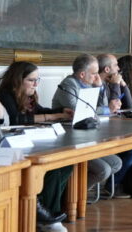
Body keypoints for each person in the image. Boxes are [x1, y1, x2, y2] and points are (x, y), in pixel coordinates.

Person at [0, 62, 72, 232]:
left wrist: (62, 111)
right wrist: (54, 116)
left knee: (66, 164)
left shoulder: (28, 95)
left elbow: (39, 111)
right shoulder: (3, 95)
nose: (36, 84)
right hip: (12, 147)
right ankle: (47, 215)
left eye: (38, 80)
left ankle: (47, 209)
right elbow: (16, 119)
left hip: (30, 142)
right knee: (51, 167)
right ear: (18, 80)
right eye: (31, 80)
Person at [51, 54, 124, 195]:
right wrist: (106, 109)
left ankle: (75, 194)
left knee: (116, 163)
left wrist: (100, 87)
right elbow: (78, 111)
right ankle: (70, 197)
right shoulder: (68, 85)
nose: (97, 77)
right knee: (103, 170)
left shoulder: (89, 83)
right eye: (94, 73)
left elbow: (103, 108)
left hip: (87, 135)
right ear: (82, 74)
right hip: (69, 139)